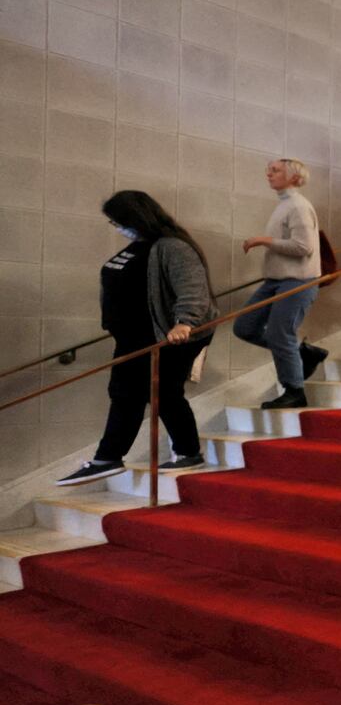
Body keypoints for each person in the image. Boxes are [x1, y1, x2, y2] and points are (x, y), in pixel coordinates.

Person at [56, 191, 220, 486]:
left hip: (168, 337)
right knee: (130, 393)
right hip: (134, 337)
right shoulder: (138, 246)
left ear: (136, 217)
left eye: (117, 221)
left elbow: (193, 289)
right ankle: (129, 456)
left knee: (157, 394)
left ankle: (110, 457)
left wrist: (185, 323)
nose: (116, 227)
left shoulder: (173, 247)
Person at [233, 158, 324, 410]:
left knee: (279, 333)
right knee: (244, 327)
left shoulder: (298, 206)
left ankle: (294, 390)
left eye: (276, 170)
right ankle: (303, 353)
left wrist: (264, 240)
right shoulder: (284, 204)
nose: (269, 174)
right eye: (269, 170)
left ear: (294, 177)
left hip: (298, 281)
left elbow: (304, 247)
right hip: (275, 280)